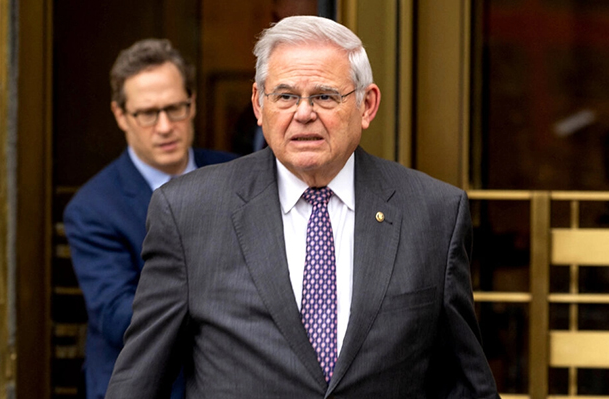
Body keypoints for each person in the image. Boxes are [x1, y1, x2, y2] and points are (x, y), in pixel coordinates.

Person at [106, 17, 499, 398]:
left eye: (325, 96)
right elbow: (140, 379)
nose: (304, 113)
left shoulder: (434, 213)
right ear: (259, 104)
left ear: (367, 104)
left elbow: (463, 383)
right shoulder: (188, 211)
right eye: (286, 96)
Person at [63, 38, 236, 399]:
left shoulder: (237, 174)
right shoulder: (92, 208)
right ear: (120, 115)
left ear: (193, 104)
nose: (164, 126)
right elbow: (119, 318)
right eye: (147, 113)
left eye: (175, 108)